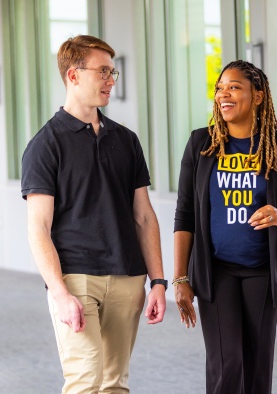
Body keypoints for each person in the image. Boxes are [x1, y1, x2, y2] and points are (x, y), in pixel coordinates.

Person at [21, 35, 167, 393]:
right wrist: (59, 292)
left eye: (112, 72)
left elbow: (144, 216)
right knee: (85, 380)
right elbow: (38, 227)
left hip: (127, 276)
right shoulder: (46, 145)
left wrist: (159, 282)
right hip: (76, 278)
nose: (110, 80)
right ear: (73, 75)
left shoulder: (126, 140)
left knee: (115, 383)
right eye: (102, 72)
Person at [173, 60, 277, 394]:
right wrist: (180, 278)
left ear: (258, 96)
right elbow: (185, 215)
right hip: (215, 271)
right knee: (227, 363)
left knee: (257, 365)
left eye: (234, 86)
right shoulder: (200, 145)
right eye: (220, 88)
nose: (224, 94)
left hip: (262, 271)